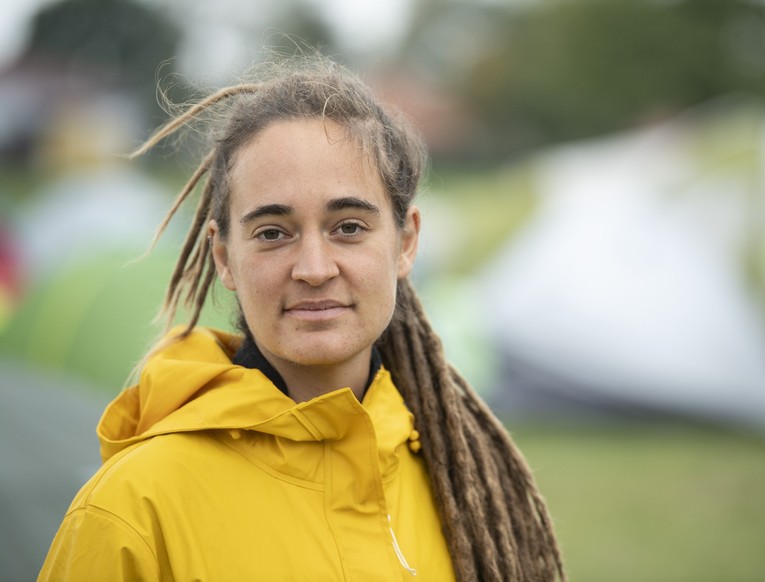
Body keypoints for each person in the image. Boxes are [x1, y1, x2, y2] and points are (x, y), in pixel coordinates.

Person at [39, 56, 564, 581]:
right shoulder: (132, 509)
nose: (314, 269)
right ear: (224, 258)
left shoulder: (464, 486)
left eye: (349, 227)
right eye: (272, 232)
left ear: (406, 243)